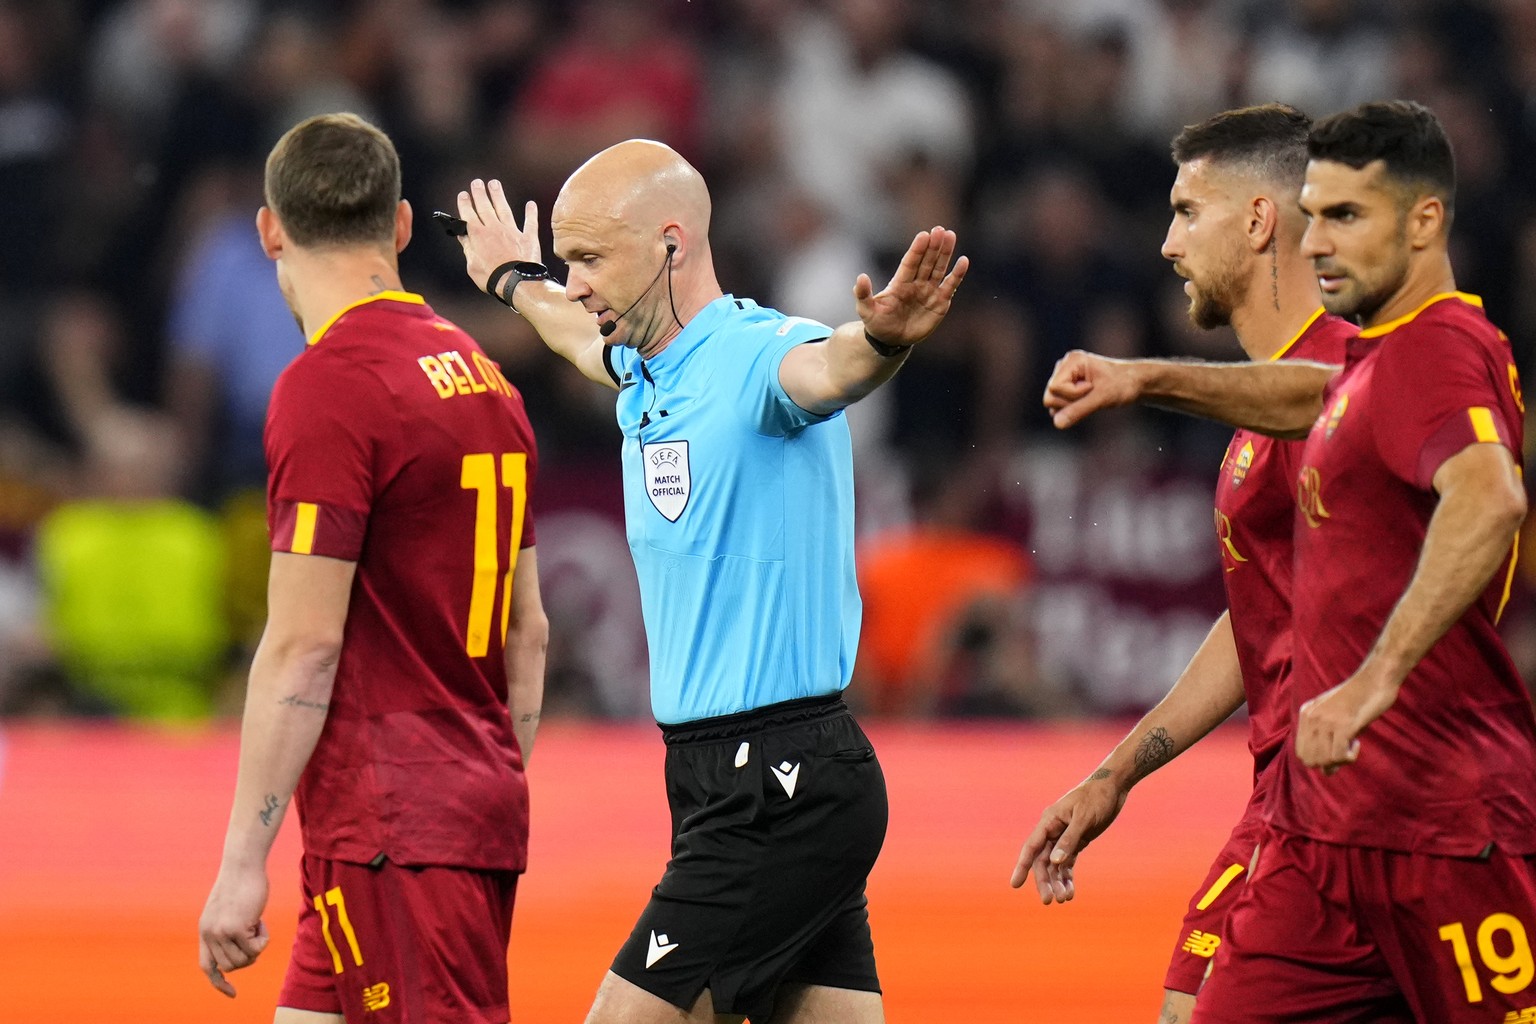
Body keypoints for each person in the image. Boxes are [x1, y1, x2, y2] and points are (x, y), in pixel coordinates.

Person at [453, 140, 966, 1024]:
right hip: (723, 777)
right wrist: (513, 279)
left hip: (777, 778)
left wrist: (884, 338)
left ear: (670, 244)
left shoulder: (760, 355)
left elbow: (832, 368)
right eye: (566, 261)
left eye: (588, 259)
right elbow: (576, 336)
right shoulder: (646, 367)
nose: (574, 283)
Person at [1050, 100, 1536, 1022]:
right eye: (1317, 214)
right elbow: (1322, 406)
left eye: (1344, 217)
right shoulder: (1366, 371)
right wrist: (1145, 378)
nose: (1320, 242)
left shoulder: (1433, 348)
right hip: (1323, 822)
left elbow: (1491, 497)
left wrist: (1369, 683)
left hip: (1439, 819)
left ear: (1424, 221)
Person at [196, 113, 548, 1024]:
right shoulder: (485, 377)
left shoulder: (330, 388)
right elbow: (528, 631)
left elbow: (303, 648)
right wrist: (484, 791)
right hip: (433, 815)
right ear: (398, 225)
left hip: (393, 822)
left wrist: (241, 865)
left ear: (270, 228)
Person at [1012, 103, 1357, 1023]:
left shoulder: (1347, 372)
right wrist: (1115, 774)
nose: (1168, 244)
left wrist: (1145, 376)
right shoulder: (1259, 408)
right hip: (1289, 801)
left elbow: (1343, 401)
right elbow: (1261, 625)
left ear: (1258, 221)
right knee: (1183, 1004)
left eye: (1188, 211)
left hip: (1372, 812)